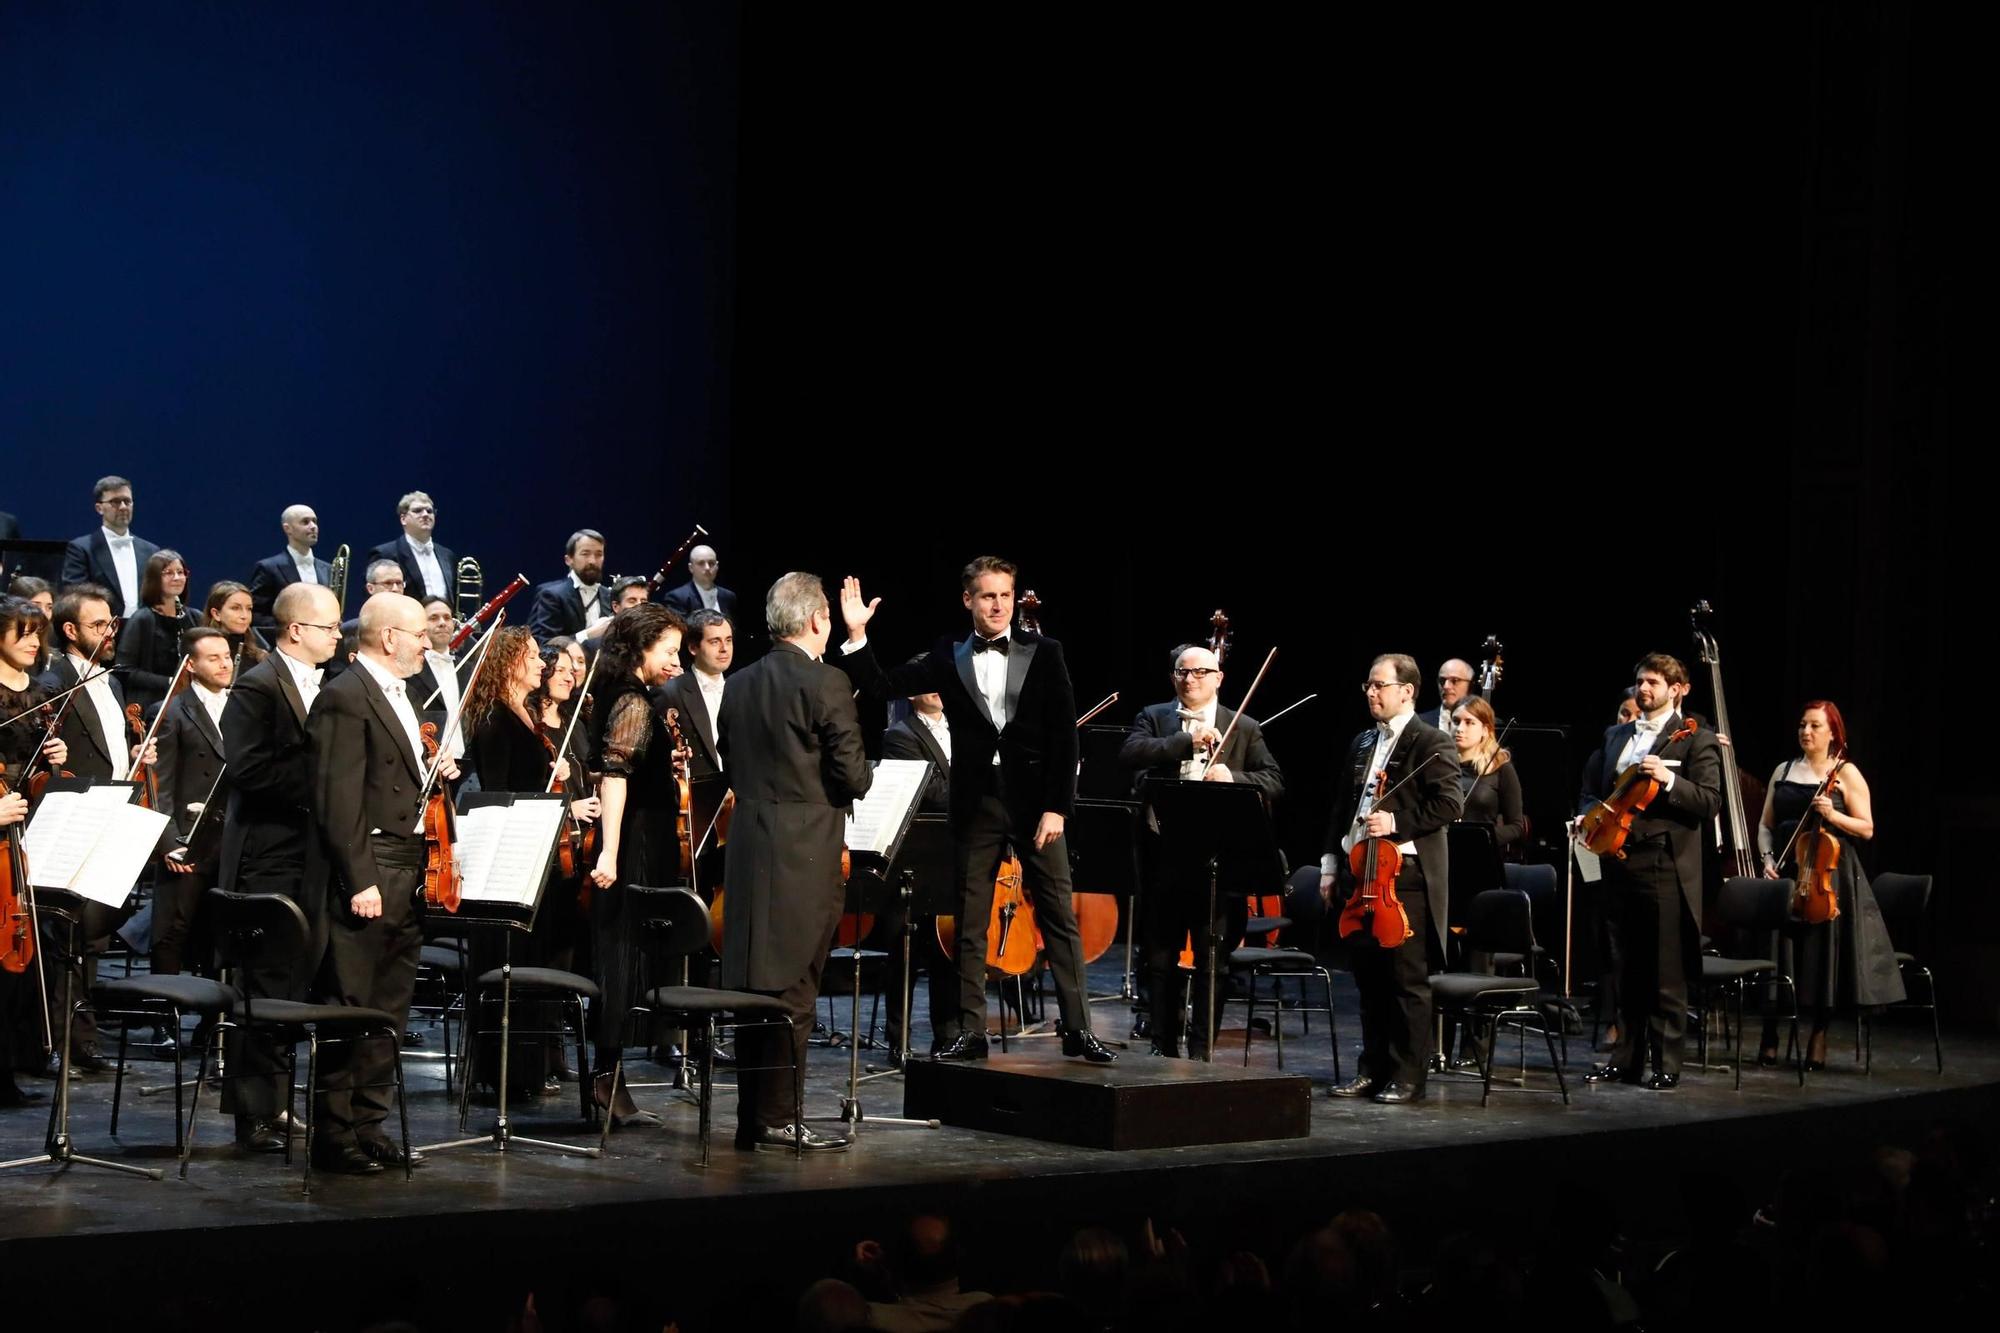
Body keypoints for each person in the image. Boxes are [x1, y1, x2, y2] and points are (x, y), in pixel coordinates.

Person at [834, 558, 1115, 1064]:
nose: (999, 606)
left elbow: (1063, 735)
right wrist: (856, 636)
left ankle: (1078, 1029)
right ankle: (970, 1030)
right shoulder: (948, 653)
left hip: (1035, 805)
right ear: (968, 600)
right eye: (988, 597)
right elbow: (882, 685)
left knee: (1058, 916)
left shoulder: (1045, 651)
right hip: (977, 801)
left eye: (1005, 596)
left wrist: (1058, 807)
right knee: (968, 919)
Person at [716, 573, 870, 1152]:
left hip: (751, 844)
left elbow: (729, 760)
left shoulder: (739, 683)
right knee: (797, 988)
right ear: (815, 620)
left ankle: (753, 1117)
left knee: (757, 982)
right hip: (806, 848)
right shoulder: (827, 681)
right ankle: (781, 1116)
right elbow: (853, 774)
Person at [309, 591, 456, 1173]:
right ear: (389, 637)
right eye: (419, 633)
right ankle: (334, 1132)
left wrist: (435, 770)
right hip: (369, 868)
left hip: (410, 865)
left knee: (391, 1005)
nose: (427, 642)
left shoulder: (405, 693)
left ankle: (371, 1123)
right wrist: (359, 879)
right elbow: (336, 799)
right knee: (351, 1002)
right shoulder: (345, 696)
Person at [217, 582, 342, 1152]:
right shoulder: (257, 685)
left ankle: (277, 1102)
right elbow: (247, 770)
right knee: (263, 984)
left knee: (292, 982)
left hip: (307, 853)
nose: (338, 636)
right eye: (330, 627)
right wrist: (325, 789)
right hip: (267, 854)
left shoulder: (328, 685)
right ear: (297, 630)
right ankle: (253, 1115)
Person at [1117, 643, 1285, 1060]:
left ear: (1218, 678)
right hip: (1164, 857)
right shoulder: (1156, 717)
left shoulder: (1242, 726)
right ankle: (1162, 1043)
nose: (1189, 679)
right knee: (1160, 959)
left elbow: (1274, 780)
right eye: (1181, 672)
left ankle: (1202, 1049)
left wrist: (1235, 776)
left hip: (1219, 862)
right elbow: (1131, 753)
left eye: (1198, 672)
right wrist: (1184, 741)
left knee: (1214, 961)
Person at [1318, 654, 1462, 1103]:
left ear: (1407, 690)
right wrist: (1328, 863)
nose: (1371, 692)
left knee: (1405, 982)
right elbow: (1343, 806)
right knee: (1369, 982)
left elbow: (1449, 804)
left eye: (1379, 685)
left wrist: (1396, 821)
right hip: (1358, 874)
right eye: (1368, 685)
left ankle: (1408, 1076)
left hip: (1405, 878)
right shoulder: (1363, 742)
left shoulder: (1431, 741)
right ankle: (1373, 1069)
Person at [1577, 653, 1723, 1091]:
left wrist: (1671, 780)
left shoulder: (1696, 740)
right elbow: (1591, 789)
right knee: (1624, 968)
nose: (1644, 689)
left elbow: (1710, 801)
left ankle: (1666, 1064)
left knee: (1663, 970)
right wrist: (1590, 817)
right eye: (1641, 681)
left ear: (1678, 689)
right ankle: (1625, 1060)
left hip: (1662, 861)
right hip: (1615, 859)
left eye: (1655, 682)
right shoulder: (1616, 734)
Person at [1756, 701, 1902, 1069]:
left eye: (1816, 726)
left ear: (1833, 732)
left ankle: (1818, 1035)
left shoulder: (1846, 773)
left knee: (1824, 955)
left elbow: (1867, 828)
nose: (1806, 731)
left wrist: (1833, 814)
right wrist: (1768, 859)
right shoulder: (1783, 770)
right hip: (1788, 869)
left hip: (1829, 874)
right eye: (1803, 725)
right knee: (1779, 953)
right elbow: (1765, 825)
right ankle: (1771, 1032)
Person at [584, 602, 686, 1125]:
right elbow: (615, 775)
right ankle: (606, 1079)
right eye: (668, 650)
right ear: (641, 647)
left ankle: (608, 1077)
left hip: (640, 839)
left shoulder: (627, 695)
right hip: (636, 843)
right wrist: (610, 850)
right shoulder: (631, 699)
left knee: (624, 959)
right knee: (621, 958)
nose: (676, 660)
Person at [0, 595, 68, 1107]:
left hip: (28, 834)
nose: (31, 641)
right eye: (21, 631)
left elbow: (41, 779)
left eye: (36, 633)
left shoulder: (43, 694)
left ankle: (16, 1058)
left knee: (24, 952)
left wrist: (54, 763)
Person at [148, 626, 234, 977]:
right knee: (173, 929)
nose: (224, 664)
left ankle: (213, 1027)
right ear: (192, 665)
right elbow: (161, 783)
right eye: (213, 658)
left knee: (219, 931)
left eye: (227, 656)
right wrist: (170, 842)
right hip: (188, 836)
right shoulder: (172, 710)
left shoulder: (241, 705)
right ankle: (162, 1022)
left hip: (228, 836)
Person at [878, 687, 953, 1061]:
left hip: (956, 852)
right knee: (904, 950)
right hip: (915, 856)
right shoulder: (899, 736)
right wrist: (980, 786)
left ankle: (948, 1035)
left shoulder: (965, 729)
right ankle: (899, 1038)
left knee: (948, 949)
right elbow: (927, 790)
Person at [60, 475, 158, 618]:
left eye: (127, 501)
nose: (123, 507)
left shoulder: (151, 550)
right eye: (115, 502)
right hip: (102, 630)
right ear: (99, 508)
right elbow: (75, 595)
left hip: (143, 631)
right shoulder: (81, 548)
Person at [113, 548, 199, 712]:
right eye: (168, 573)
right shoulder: (142, 620)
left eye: (181, 572)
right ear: (154, 578)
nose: (177, 578)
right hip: (152, 705)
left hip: (190, 702)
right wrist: (169, 682)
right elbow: (125, 670)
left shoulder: (194, 617)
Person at [661, 608, 731, 783]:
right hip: (695, 798)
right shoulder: (670, 692)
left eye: (728, 640)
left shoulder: (742, 687)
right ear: (693, 647)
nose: (724, 649)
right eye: (715, 642)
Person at [246, 504, 331, 637]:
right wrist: (288, 629)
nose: (313, 526)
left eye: (315, 521)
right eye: (305, 522)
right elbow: (256, 614)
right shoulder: (268, 568)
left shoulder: (328, 569)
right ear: (288, 528)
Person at [1451, 696, 1524, 849]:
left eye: (1469, 723)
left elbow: (1516, 826)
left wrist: (1481, 838)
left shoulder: (1500, 767)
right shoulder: (1439, 765)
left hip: (1482, 853)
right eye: (1456, 721)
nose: (1459, 729)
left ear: (1485, 730)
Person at [366, 490, 456, 602]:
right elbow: (375, 599)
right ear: (403, 519)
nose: (425, 514)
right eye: (418, 511)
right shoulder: (385, 553)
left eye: (429, 511)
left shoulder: (447, 555)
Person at [527, 529, 614, 645]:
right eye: (585, 554)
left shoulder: (610, 596)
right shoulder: (550, 595)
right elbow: (544, 644)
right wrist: (587, 634)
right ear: (569, 560)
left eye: (599, 554)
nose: (592, 560)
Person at [202, 580, 269, 670]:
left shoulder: (260, 655)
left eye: (249, 609)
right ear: (216, 614)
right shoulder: (201, 653)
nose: (244, 616)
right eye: (235, 608)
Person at [660, 544, 737, 619]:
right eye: (701, 563)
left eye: (711, 563)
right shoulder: (676, 598)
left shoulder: (729, 597)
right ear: (691, 568)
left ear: (717, 566)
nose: (707, 568)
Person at [1419, 659, 1477, 731]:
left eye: (1454, 680)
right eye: (1442, 681)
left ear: (1470, 685)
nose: (1446, 686)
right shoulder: (1420, 723)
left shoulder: (1480, 722)